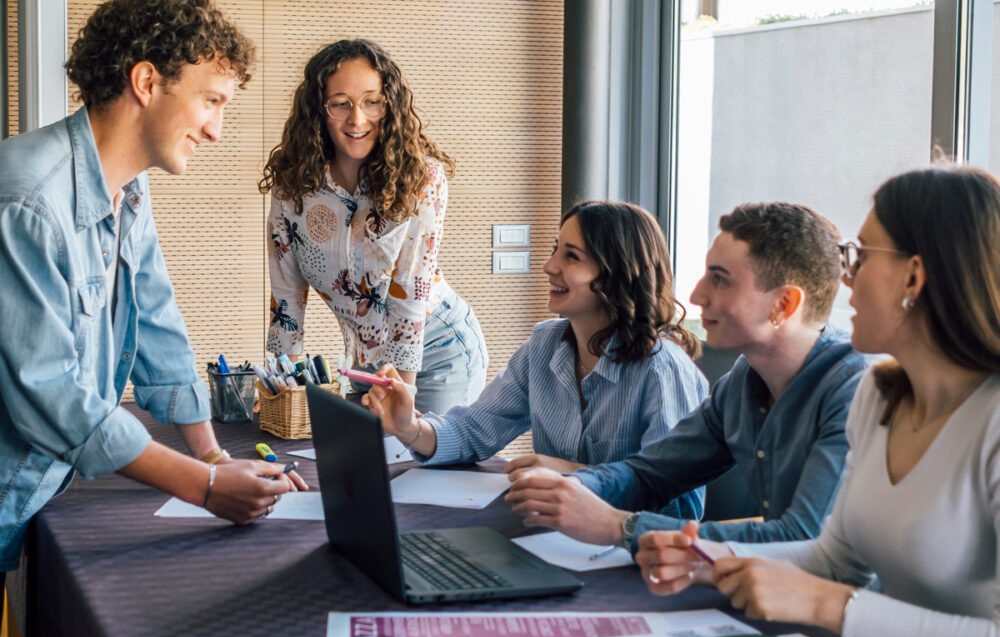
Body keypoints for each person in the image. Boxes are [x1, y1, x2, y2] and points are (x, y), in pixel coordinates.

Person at [637, 166, 1000, 637]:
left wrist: (827, 605)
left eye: (860, 255)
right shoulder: (878, 397)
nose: (844, 275)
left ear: (914, 277)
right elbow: (834, 561)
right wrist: (708, 561)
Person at [0, 0, 304, 590]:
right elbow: (53, 395)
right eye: (211, 101)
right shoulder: (27, 202)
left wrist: (212, 456)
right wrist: (205, 488)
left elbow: (158, 324)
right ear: (146, 82)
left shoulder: (129, 190)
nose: (216, 129)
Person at [504, 202, 869, 552]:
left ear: (784, 305)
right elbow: (651, 473)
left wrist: (619, 526)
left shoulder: (853, 391)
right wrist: (571, 487)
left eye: (720, 280)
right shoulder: (743, 380)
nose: (696, 295)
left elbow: (800, 538)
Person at [364, 201, 709, 518]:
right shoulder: (544, 343)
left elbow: (679, 508)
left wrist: (572, 475)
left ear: (616, 273)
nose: (548, 266)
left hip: (627, 559)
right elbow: (475, 429)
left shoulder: (663, 370)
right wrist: (410, 427)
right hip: (554, 536)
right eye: (554, 250)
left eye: (572, 256)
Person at [261, 39, 487, 415]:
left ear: (390, 105)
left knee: (417, 466)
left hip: (439, 353)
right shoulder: (293, 185)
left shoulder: (420, 178)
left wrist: (404, 399)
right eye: (340, 103)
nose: (357, 119)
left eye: (372, 101)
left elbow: (409, 295)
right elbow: (286, 292)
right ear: (319, 109)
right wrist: (287, 384)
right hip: (366, 363)